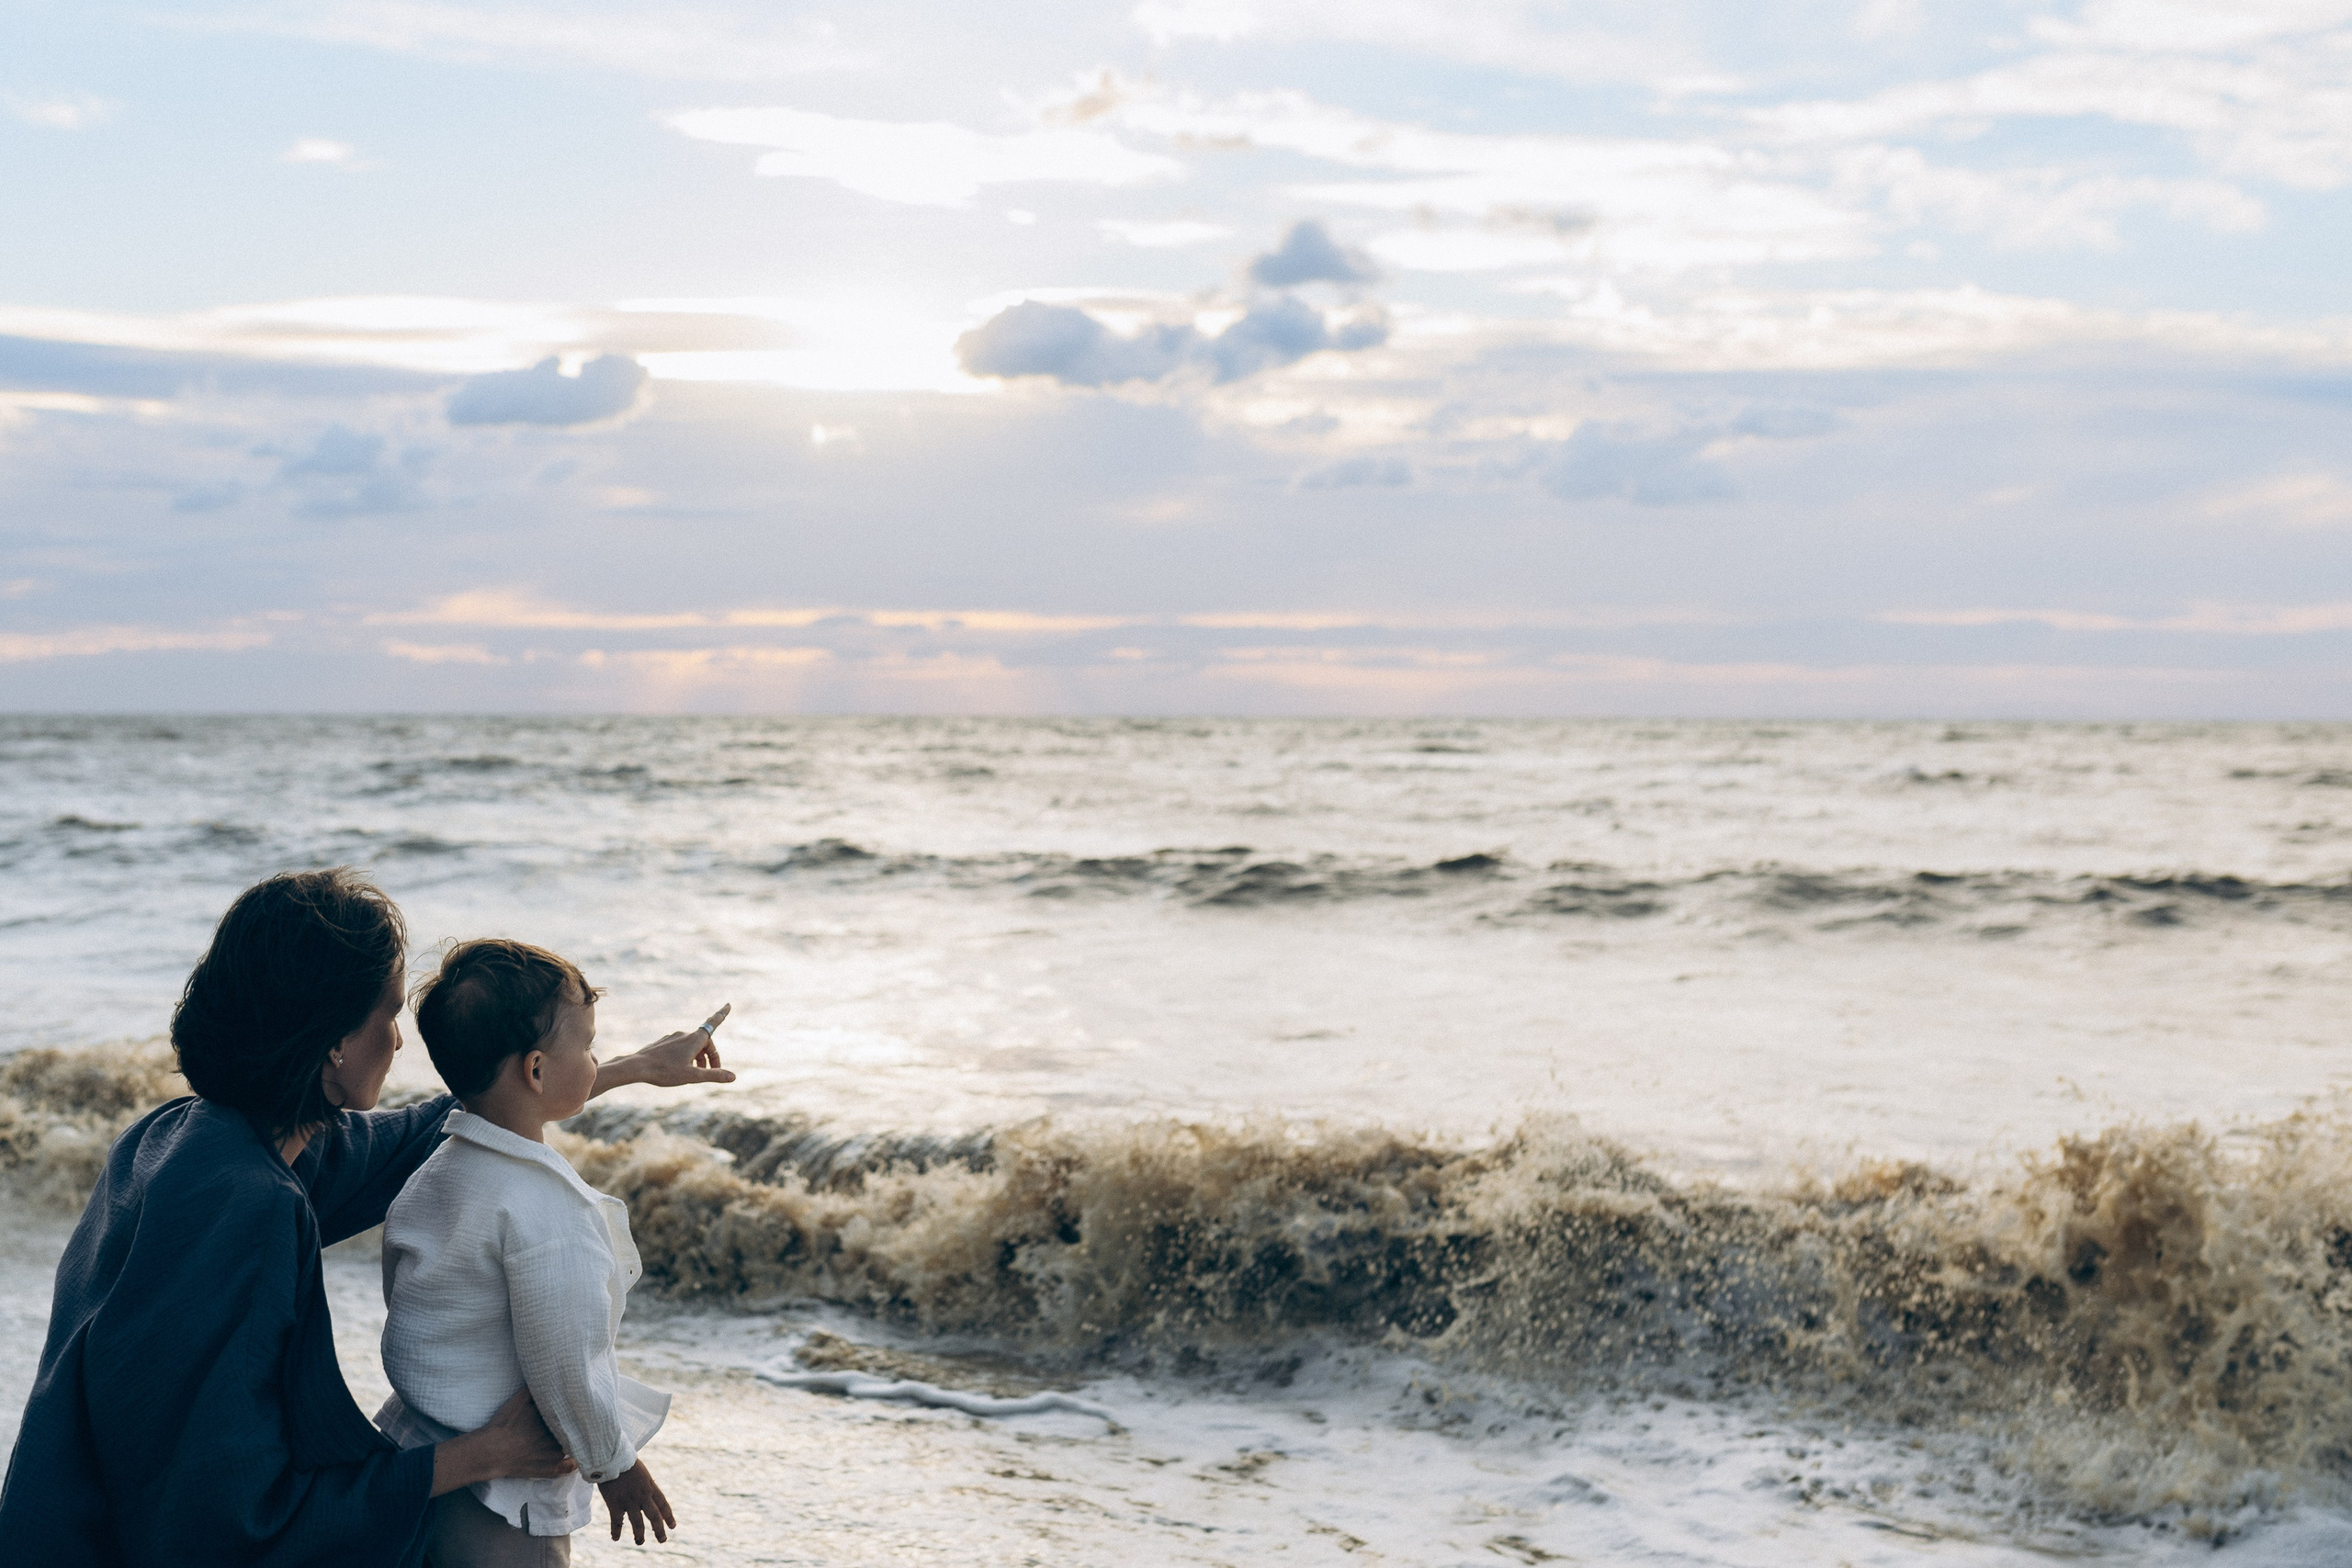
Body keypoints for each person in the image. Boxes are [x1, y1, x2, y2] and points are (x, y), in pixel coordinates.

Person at [0, 869, 735, 1567]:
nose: (399, 1038)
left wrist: (631, 1065)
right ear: (334, 1041)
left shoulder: (190, 1135)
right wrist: (480, 1454)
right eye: (386, 1016)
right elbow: (239, 1521)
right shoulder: (246, 1212)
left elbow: (462, 1115)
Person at [376, 940, 709, 1562]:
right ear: (534, 1071)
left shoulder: (438, 1172)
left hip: (422, 1451)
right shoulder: (548, 1208)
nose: (596, 1058)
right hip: (504, 1493)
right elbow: (565, 1360)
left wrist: (638, 1064)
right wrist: (614, 1464)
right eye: (587, 1045)